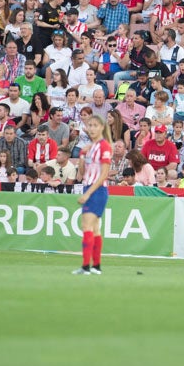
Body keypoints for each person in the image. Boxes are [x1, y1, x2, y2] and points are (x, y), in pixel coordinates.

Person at [73, 115, 113, 275]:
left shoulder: (104, 147)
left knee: (86, 226)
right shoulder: (90, 147)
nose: (92, 128)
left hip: (96, 190)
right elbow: (82, 173)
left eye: (95, 125)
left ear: (102, 127)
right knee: (95, 229)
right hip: (89, 187)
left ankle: (85, 267)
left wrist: (87, 193)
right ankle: (96, 266)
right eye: (90, 125)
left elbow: (104, 174)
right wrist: (82, 157)